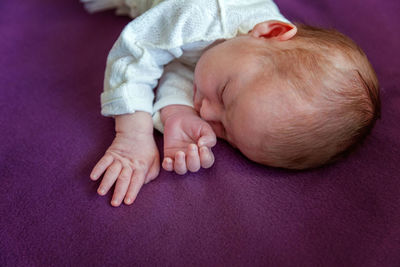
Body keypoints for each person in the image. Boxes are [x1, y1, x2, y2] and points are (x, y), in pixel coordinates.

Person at [83, 0, 380, 207]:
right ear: (269, 32)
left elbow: (185, 62)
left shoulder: (238, 58)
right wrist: (133, 134)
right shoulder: (205, 12)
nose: (207, 112)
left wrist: (178, 112)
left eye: (226, 133)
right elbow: (139, 50)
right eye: (224, 94)